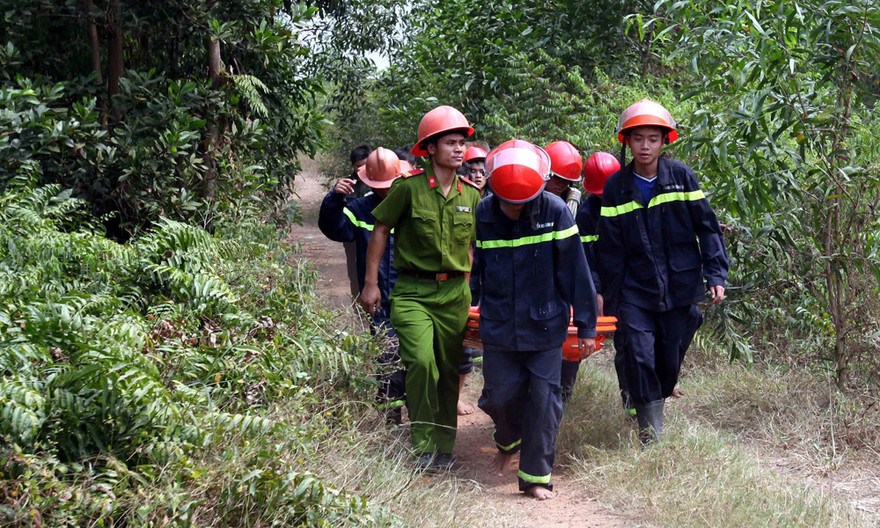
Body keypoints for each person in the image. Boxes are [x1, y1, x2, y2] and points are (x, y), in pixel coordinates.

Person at [596, 99, 728, 443]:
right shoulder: (615, 187)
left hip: (680, 285)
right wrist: (606, 298)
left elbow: (708, 228)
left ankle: (659, 397)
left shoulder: (682, 177)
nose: (645, 146)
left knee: (669, 358)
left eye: (652, 138)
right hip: (634, 290)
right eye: (638, 138)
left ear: (664, 141)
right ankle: (650, 435)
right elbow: (608, 249)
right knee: (639, 353)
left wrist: (716, 274)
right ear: (627, 141)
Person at [475, 140, 597, 500]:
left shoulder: (557, 211)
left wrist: (587, 326)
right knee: (499, 396)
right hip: (498, 324)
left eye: (523, 202)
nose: (515, 209)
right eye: (508, 203)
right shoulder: (482, 214)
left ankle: (535, 477)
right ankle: (508, 438)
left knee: (545, 399)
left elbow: (577, 273)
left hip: (545, 324)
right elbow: (475, 269)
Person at [361, 105, 481, 470]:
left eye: (462, 143)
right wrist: (370, 284)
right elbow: (381, 229)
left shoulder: (471, 195)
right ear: (429, 148)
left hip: (454, 295)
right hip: (413, 291)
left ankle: (444, 448)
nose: (459, 150)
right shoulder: (408, 189)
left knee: (447, 369)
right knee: (421, 363)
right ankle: (423, 443)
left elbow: (475, 249)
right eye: (450, 143)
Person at [318, 147, 406, 420]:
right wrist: (335, 198)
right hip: (378, 295)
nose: (383, 191)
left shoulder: (412, 203)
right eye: (377, 186)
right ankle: (390, 416)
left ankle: (421, 416)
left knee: (415, 355)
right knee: (387, 354)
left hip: (413, 293)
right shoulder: (359, 208)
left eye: (388, 186)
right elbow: (335, 229)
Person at [576, 152, 624, 407]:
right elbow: (586, 258)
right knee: (624, 344)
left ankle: (638, 400)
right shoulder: (586, 214)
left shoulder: (631, 198)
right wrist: (596, 292)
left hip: (632, 282)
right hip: (605, 283)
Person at [543, 140, 587, 404]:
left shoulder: (573, 204)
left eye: (567, 182)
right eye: (557, 179)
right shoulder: (526, 199)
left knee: (569, 343)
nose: (561, 185)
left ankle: (563, 394)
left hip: (564, 282)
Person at [456, 144, 489, 415]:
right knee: (462, 341)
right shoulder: (458, 199)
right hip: (461, 278)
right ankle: (455, 395)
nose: (478, 175)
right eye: (472, 170)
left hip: (488, 280)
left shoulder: (495, 202)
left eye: (482, 171)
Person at [543, 141, 583, 218]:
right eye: (557, 178)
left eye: (566, 180)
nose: (561, 184)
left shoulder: (573, 201)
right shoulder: (532, 201)